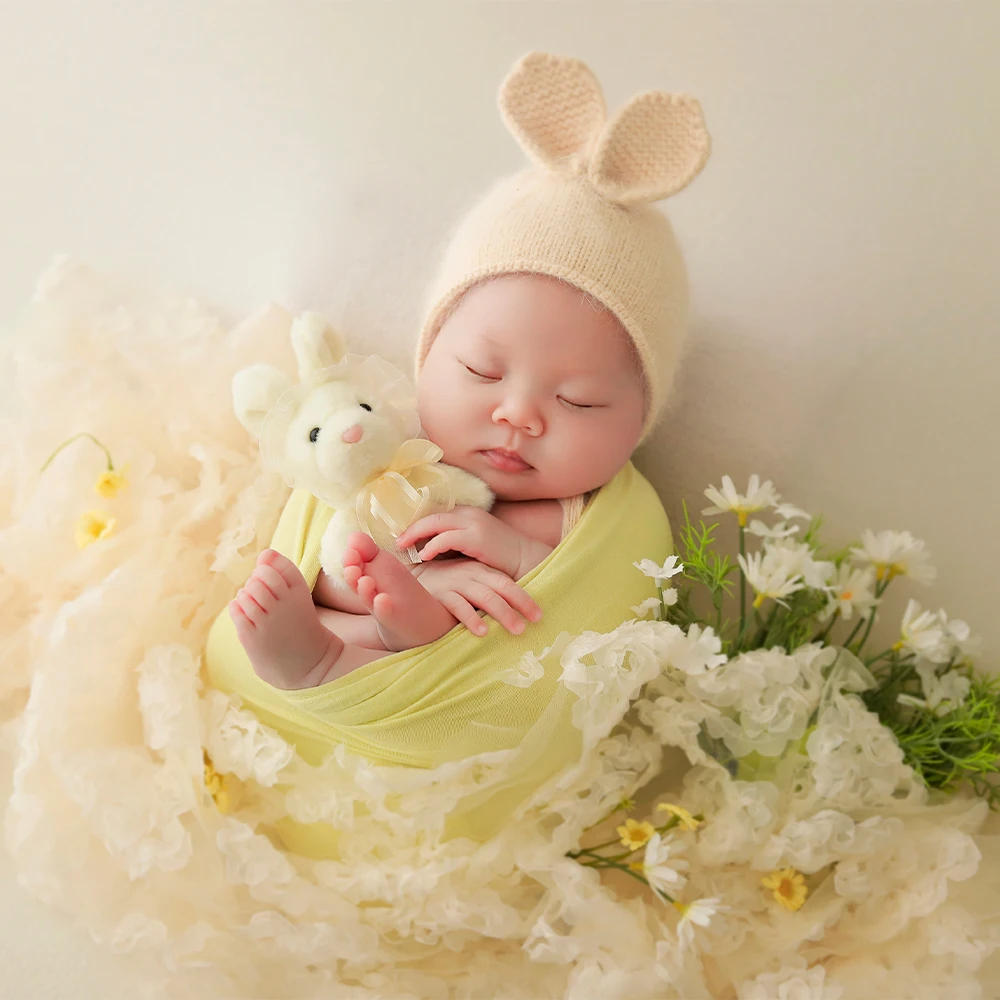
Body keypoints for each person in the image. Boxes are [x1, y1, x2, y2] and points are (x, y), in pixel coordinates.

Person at [222, 51, 710, 692]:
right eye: (482, 371)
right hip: (356, 626)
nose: (519, 415)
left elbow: (601, 617)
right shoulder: (395, 452)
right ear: (428, 358)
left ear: (640, 421)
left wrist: (517, 556)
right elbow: (329, 549)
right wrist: (392, 579)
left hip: (470, 691)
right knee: (338, 587)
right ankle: (325, 650)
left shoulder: (592, 519)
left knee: (478, 630)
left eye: (579, 400)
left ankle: (337, 659)